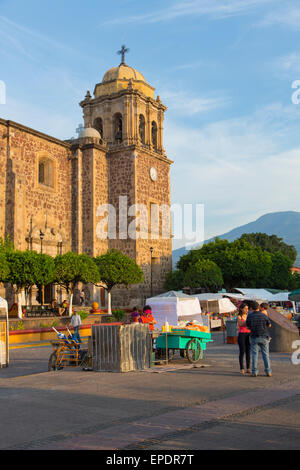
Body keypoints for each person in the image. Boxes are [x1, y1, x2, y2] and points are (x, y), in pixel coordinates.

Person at [246, 301, 272, 377]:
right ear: (258, 307)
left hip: (254, 337)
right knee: (266, 355)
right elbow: (269, 325)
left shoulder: (249, 316)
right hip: (264, 336)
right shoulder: (264, 315)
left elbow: (247, 326)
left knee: (254, 355)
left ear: (251, 308)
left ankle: (254, 372)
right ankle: (268, 371)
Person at [237, 302, 251, 375]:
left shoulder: (249, 315)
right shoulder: (239, 316)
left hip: (249, 334)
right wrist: (248, 321)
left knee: (248, 351)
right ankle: (242, 368)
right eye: (245, 308)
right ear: (241, 309)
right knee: (242, 351)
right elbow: (241, 324)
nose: (247, 310)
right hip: (242, 334)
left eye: (247, 308)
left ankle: (248, 368)